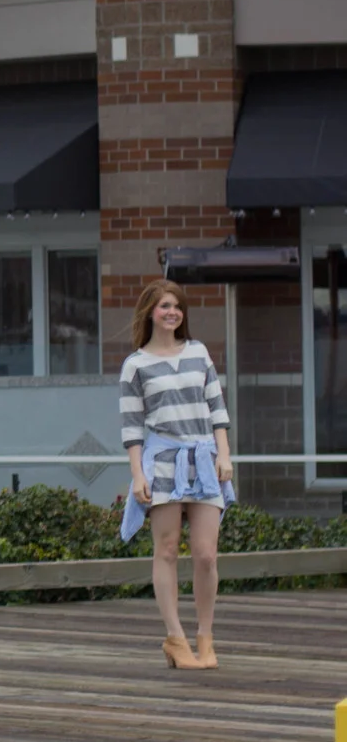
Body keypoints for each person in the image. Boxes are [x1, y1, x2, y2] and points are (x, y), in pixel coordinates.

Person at [117, 278, 235, 670]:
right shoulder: (135, 365)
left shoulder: (199, 353)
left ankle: (205, 638)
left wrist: (224, 455)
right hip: (163, 461)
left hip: (204, 461)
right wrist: (138, 475)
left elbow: (217, 409)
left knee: (206, 554)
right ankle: (175, 639)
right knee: (166, 550)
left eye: (177, 306)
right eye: (165, 306)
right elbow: (132, 428)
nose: (173, 312)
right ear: (150, 311)